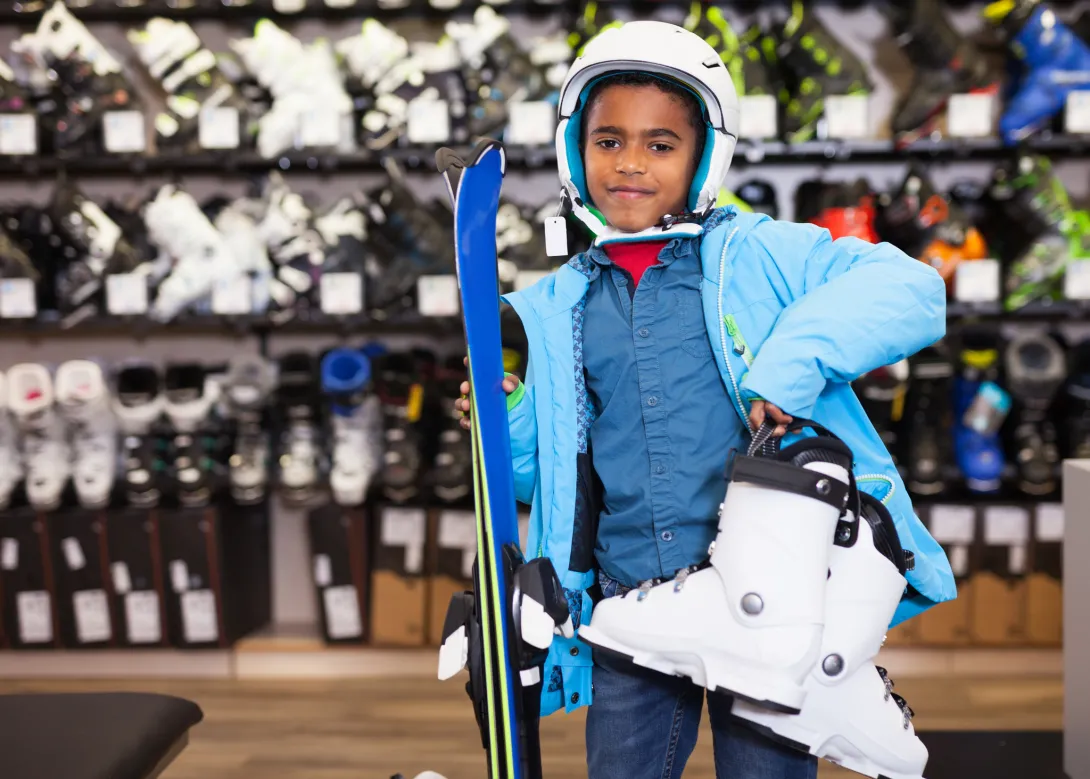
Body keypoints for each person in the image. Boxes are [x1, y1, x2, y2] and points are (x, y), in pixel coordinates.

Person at [457, 20, 955, 779]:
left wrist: (790, 365)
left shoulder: (759, 255)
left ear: (703, 157)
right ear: (574, 151)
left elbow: (911, 289)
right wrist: (513, 415)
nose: (629, 164)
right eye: (608, 141)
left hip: (768, 605)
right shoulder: (557, 306)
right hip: (634, 604)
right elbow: (546, 480)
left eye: (660, 145)